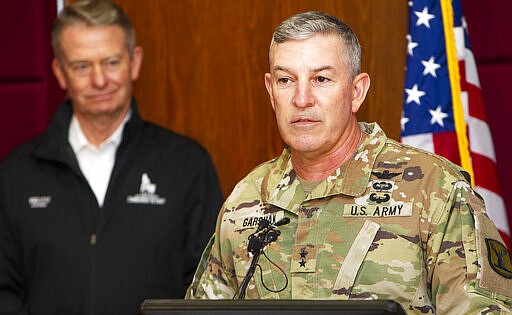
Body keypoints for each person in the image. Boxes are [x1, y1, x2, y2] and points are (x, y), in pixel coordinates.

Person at [185, 11, 512, 314]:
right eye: (286, 80)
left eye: (321, 79)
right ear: (271, 92)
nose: (301, 99)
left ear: (357, 91)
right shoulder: (247, 199)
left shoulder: (434, 190)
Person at [0, 0, 223, 314]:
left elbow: (210, 289)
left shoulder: (187, 165)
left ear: (134, 62)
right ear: (59, 73)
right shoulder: (16, 175)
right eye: (81, 66)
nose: (100, 80)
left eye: (112, 62)